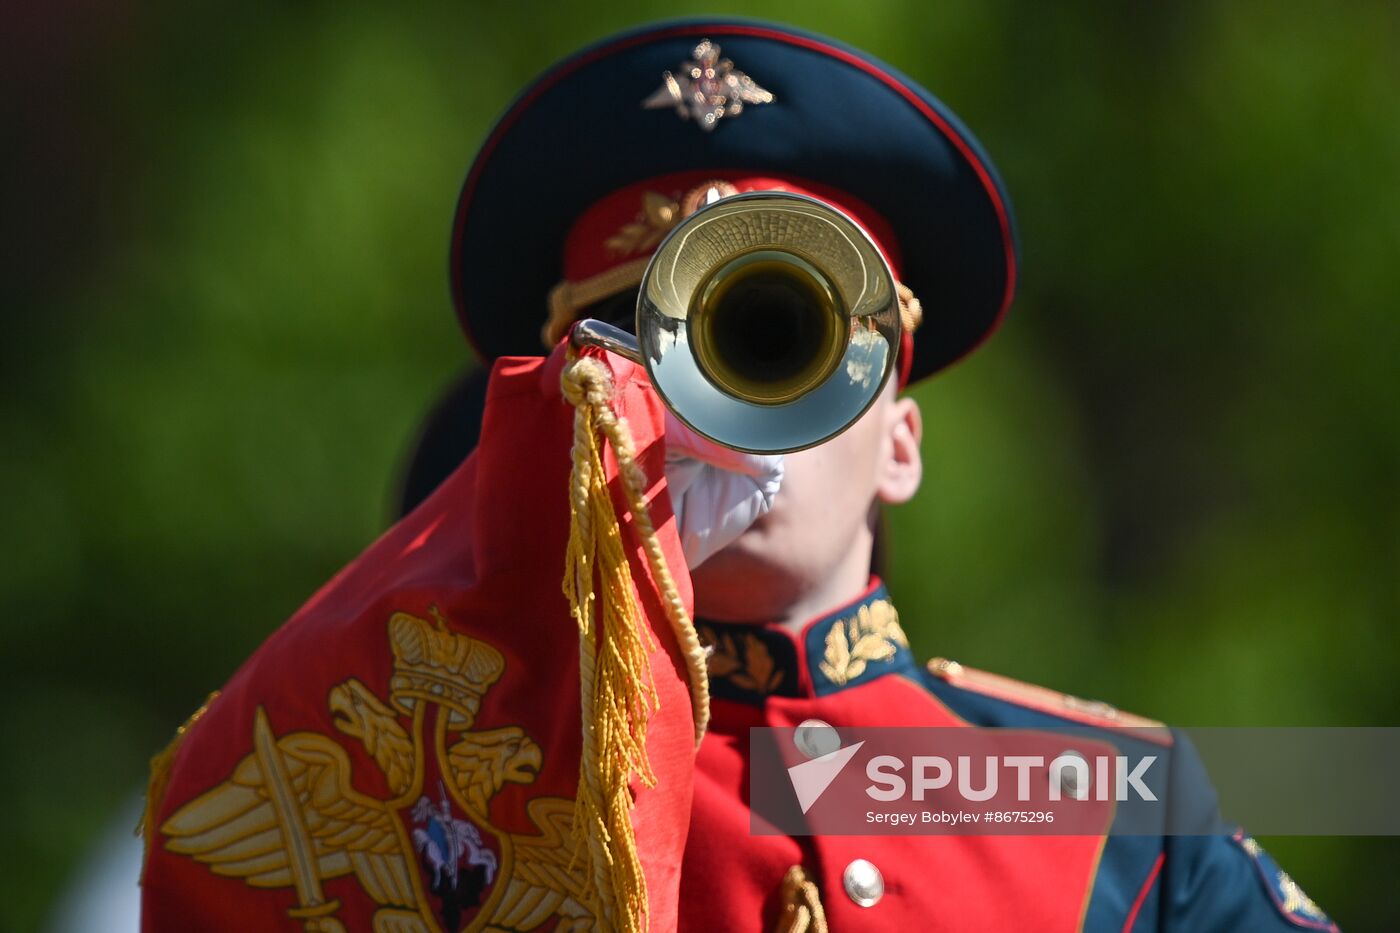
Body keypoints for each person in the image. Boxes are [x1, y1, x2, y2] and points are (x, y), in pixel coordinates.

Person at [139, 18, 1337, 932]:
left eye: (774, 338)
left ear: (902, 446)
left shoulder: (1087, 796)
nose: (720, 408)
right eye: (647, 350)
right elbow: (214, 830)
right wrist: (533, 555)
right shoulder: (471, 774)